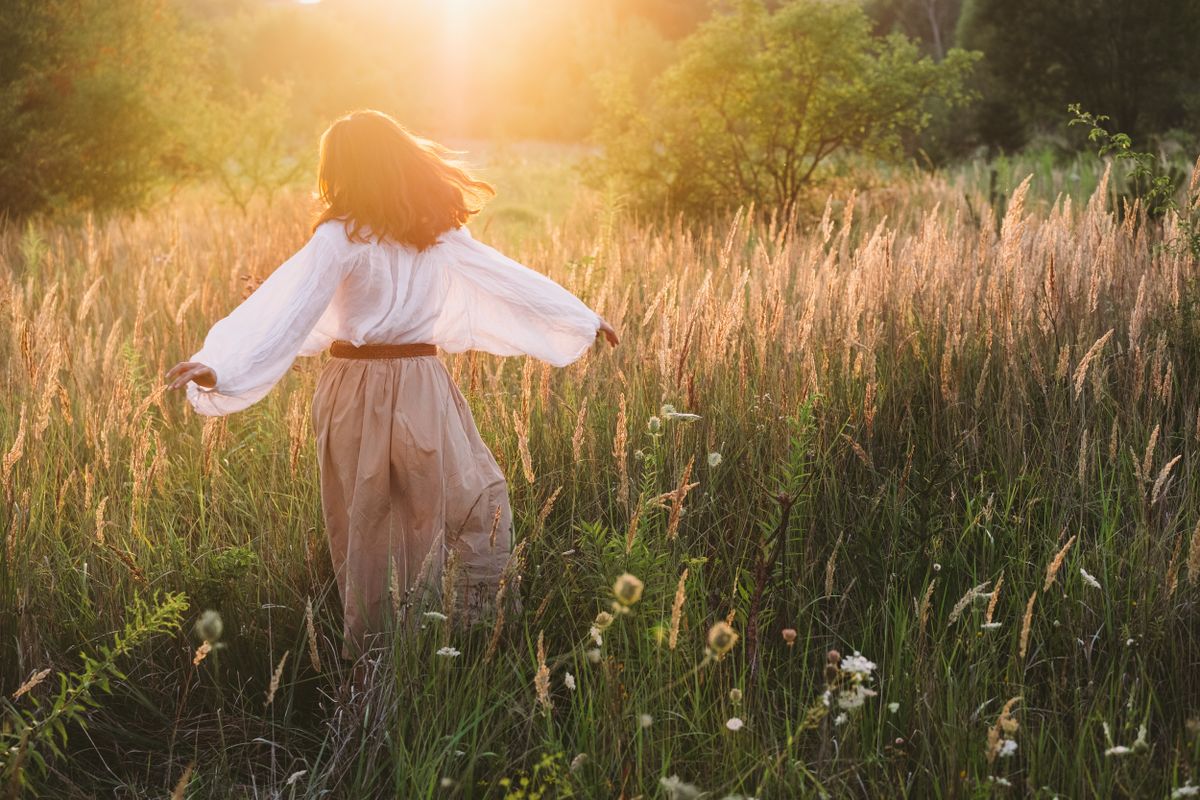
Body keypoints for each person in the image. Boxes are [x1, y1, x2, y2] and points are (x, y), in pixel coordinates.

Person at [165, 109, 618, 660]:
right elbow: (288, 308)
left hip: (396, 385)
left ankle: (461, 638)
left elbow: (501, 274)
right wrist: (222, 367)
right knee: (384, 520)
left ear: (344, 170)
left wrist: (578, 318)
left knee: (462, 504)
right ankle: (389, 660)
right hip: (383, 387)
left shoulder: (431, 233)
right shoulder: (359, 237)